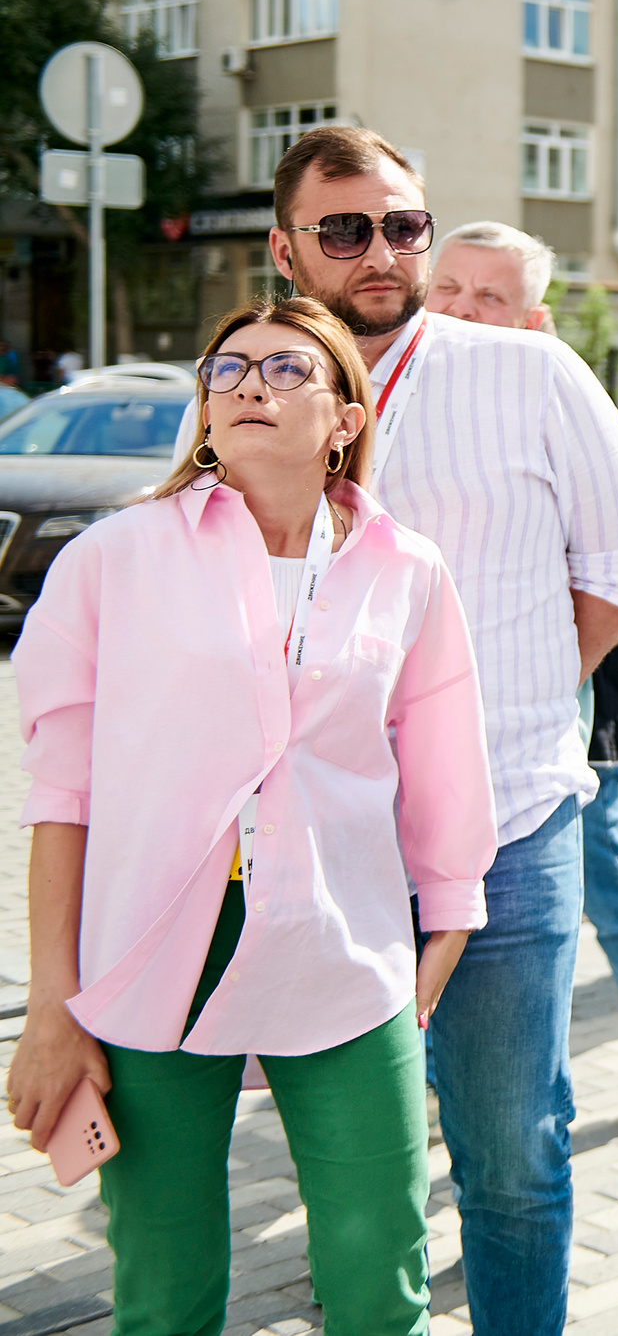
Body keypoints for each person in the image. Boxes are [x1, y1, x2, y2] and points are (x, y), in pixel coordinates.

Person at [8, 296, 495, 1333]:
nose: (246, 388)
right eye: (225, 371)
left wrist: (439, 944)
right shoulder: (114, 556)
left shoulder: (407, 571)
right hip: (148, 948)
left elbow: (445, 767)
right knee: (164, 1281)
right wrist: (55, 1001)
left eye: (282, 370)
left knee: (380, 1273)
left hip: (344, 945)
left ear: (345, 419)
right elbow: (64, 798)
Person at [241, 125, 618, 1335]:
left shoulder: (528, 373)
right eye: (347, 228)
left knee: (514, 1150)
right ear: (285, 247)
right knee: (352, 1152)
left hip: (510, 820)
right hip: (323, 835)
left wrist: (479, 707)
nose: (383, 251)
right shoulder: (248, 389)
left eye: (405, 225)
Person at [424, 221, 618, 1135]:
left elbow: (617, 569)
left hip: (574, 687)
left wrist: (547, 680)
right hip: (454, 717)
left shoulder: (555, 392)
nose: (461, 309)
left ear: (532, 318)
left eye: (488, 296)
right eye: (448, 287)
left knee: (604, 870)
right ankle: (441, 1075)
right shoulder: (393, 395)